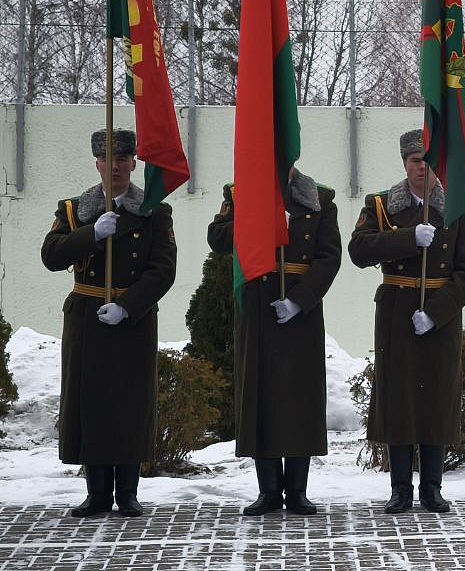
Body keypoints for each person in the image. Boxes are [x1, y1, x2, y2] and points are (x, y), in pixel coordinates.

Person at [40, 128, 177, 517]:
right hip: (87, 318)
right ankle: (97, 493)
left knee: (129, 404)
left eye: (121, 159)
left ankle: (128, 492)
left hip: (132, 319)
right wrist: (91, 234)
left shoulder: (154, 211)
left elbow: (163, 270)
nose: (114, 166)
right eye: (106, 159)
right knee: (91, 402)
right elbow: (51, 256)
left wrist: (127, 306)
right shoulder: (74, 210)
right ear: (97, 164)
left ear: (133, 163)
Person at [347, 129, 465, 513]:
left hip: (440, 315)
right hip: (396, 312)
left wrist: (436, 313)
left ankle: (432, 488)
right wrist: (408, 238)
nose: (422, 168)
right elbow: (358, 250)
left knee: (436, 398)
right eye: (414, 161)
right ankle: (400, 488)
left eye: (428, 161)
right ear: (405, 163)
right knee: (399, 398)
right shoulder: (382, 205)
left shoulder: (457, 208)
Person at [206, 166, 340, 516]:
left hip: (301, 310)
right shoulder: (240, 193)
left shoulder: (320, 198)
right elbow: (217, 238)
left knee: (300, 398)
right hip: (258, 306)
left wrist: (299, 300)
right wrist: (256, 218)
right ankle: (267, 490)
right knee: (260, 395)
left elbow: (329, 257)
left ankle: (297, 490)